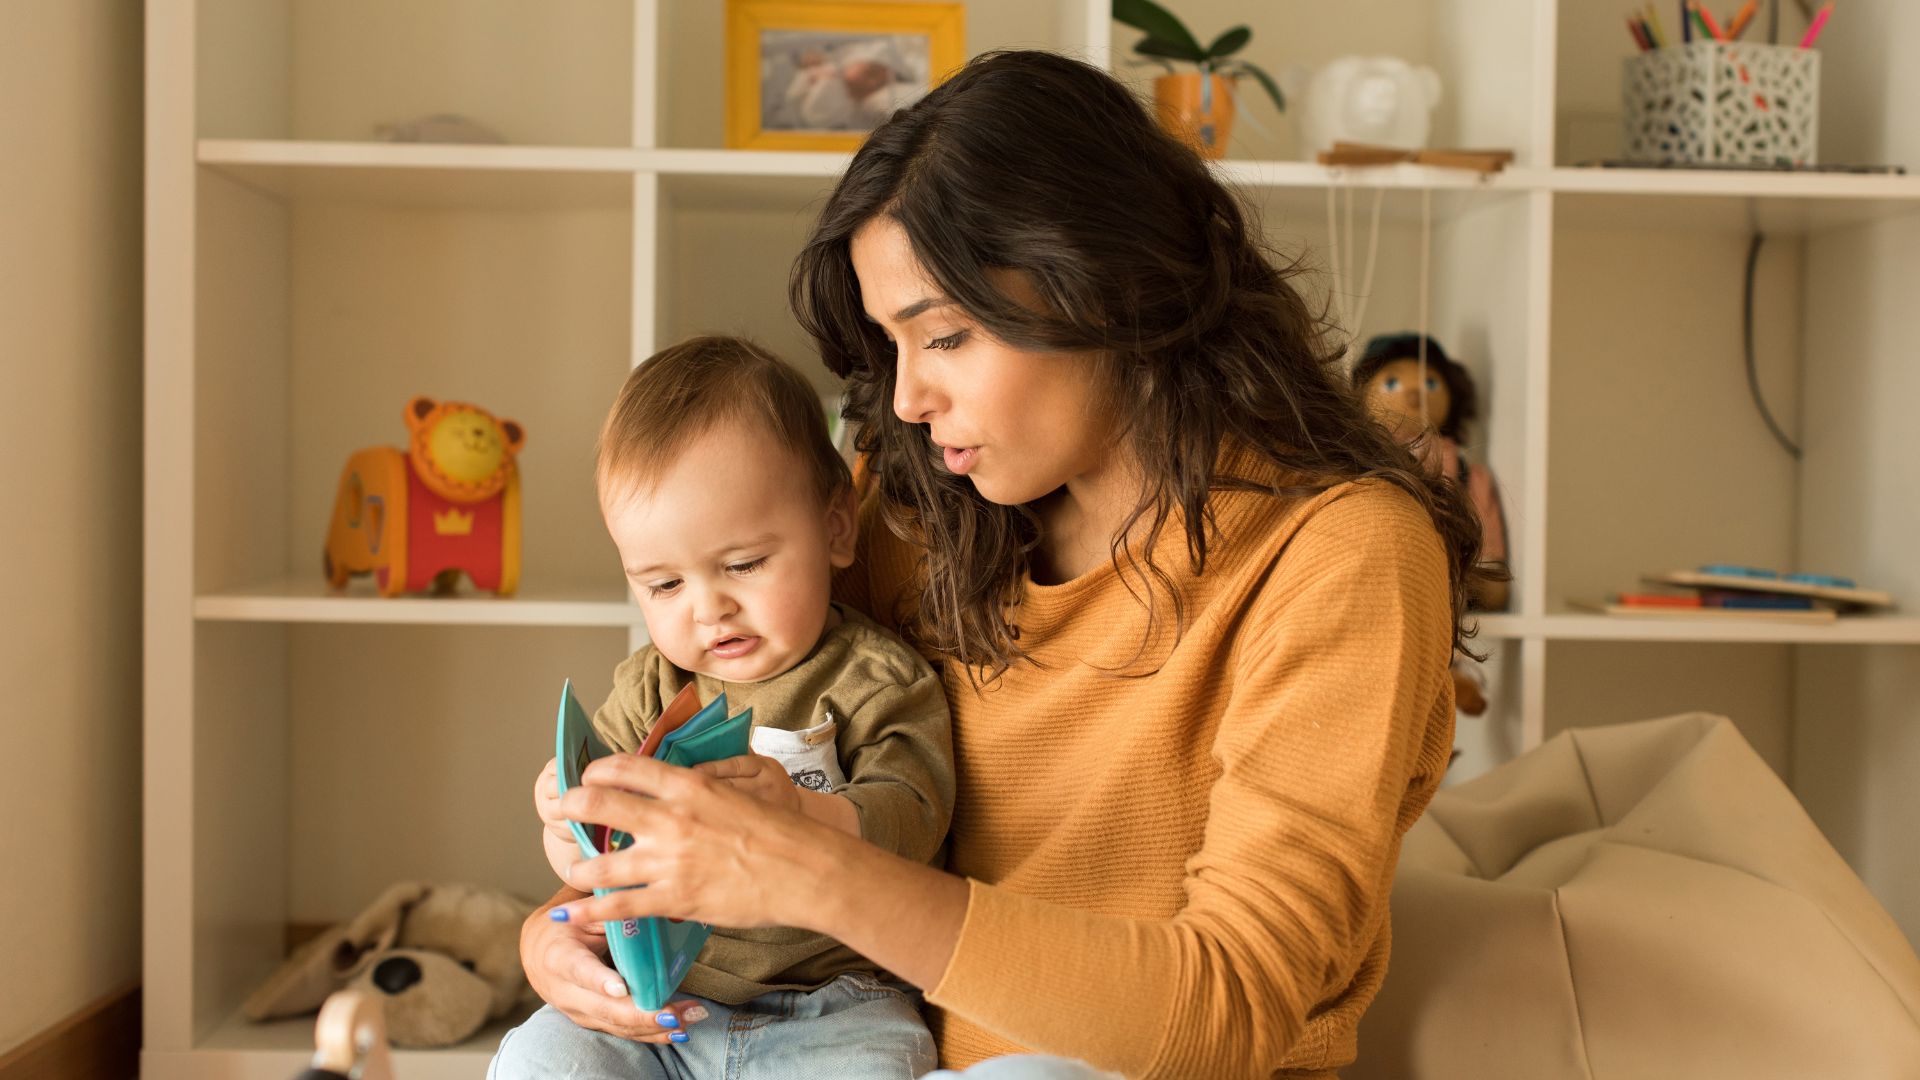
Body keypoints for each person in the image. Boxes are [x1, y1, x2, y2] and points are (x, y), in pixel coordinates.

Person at [518, 50, 1487, 1079]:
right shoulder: (918, 508)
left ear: (1106, 284)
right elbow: (734, 731)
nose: (906, 400)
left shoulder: (1342, 552)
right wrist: (565, 926)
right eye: (892, 348)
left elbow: (1233, 1004)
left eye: (944, 338)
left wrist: (813, 869)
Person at [490, 336, 953, 1079]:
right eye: (664, 585)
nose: (709, 609)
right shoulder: (650, 688)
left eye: (744, 564)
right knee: (543, 1056)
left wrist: (799, 818)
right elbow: (593, 864)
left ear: (836, 527)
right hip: (670, 1003)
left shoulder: (877, 679)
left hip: (837, 1008)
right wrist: (567, 827)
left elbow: (915, 819)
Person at [1353, 332, 1509, 717]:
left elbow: (1488, 555)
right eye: (1392, 382)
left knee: (1440, 591)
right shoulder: (1359, 463)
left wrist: (1487, 574)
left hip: (1446, 578)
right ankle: (1432, 680)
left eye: (1431, 383)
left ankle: (1442, 677)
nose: (1414, 394)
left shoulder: (1467, 473)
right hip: (1377, 574)